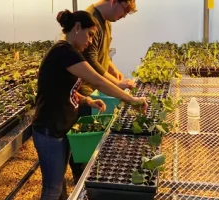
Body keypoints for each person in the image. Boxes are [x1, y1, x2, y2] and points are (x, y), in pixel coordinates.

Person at [31, 9, 147, 200]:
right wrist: (131, 100)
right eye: (90, 34)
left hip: (60, 128)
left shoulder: (67, 52)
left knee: (58, 185)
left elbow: (62, 89)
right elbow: (99, 82)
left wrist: (86, 100)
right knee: (52, 189)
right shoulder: (65, 52)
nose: (91, 41)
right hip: (49, 131)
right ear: (77, 28)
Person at [69, 0, 138, 184]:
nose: (123, 17)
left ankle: (84, 175)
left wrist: (114, 70)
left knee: (90, 134)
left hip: (91, 88)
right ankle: (80, 180)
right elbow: (90, 61)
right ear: (115, 2)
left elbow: (102, 55)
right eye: (123, 12)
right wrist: (117, 84)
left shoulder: (106, 21)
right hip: (82, 89)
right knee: (80, 140)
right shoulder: (91, 19)